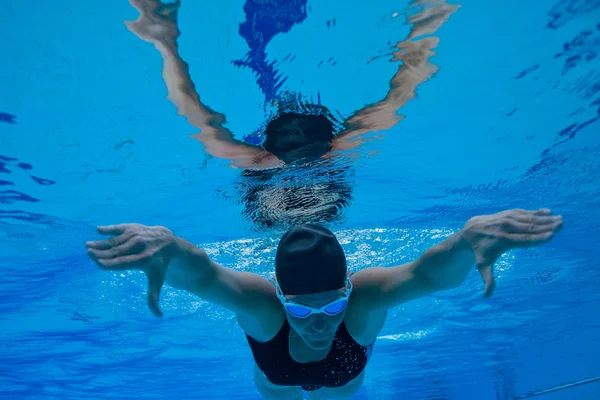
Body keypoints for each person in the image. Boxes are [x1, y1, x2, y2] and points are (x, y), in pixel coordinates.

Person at [86, 208, 563, 399]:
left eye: (333, 308)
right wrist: (171, 248)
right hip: (276, 385)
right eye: (300, 310)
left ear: (347, 291)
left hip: (343, 382)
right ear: (281, 297)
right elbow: (204, 275)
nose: (319, 324)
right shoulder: (261, 303)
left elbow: (426, 274)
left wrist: (464, 242)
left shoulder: (367, 295)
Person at [124, 0, 459, 169]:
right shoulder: (343, 148)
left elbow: (188, 105)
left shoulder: (246, 158)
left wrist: (163, 40)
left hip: (277, 110)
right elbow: (403, 91)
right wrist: (425, 28)